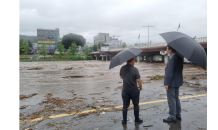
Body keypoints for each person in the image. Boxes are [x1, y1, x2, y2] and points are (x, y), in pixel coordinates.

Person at [120, 57, 143, 127]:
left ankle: (124, 121)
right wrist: (140, 86)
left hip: (125, 90)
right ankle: (136, 120)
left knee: (125, 106)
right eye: (134, 59)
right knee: (136, 105)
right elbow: (138, 80)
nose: (135, 61)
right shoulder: (135, 69)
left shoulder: (122, 68)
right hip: (134, 90)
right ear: (132, 60)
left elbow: (121, 77)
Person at [163, 45, 183, 123]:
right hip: (177, 82)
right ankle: (178, 114)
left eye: (167, 49)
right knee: (176, 98)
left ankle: (172, 116)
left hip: (171, 82)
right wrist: (167, 67)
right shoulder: (180, 57)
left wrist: (167, 83)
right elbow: (177, 70)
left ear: (170, 50)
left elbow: (170, 73)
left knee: (171, 100)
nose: (166, 50)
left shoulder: (172, 59)